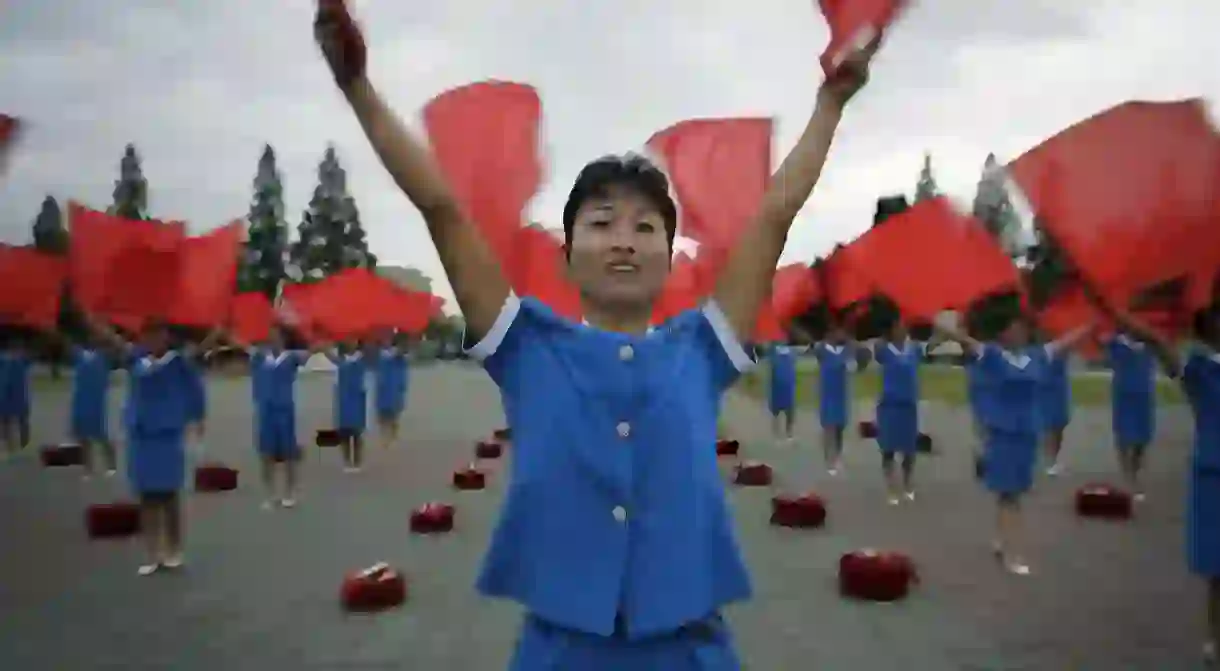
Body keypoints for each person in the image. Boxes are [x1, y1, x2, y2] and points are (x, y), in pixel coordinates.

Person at [314, 0, 873, 666]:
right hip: (562, 649)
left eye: (645, 227)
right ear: (566, 249)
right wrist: (358, 89)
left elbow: (774, 213)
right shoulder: (524, 345)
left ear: (670, 255)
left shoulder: (702, 347)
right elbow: (442, 209)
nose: (624, 241)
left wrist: (830, 103)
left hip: (690, 648)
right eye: (602, 221)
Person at [939, 317, 1091, 575]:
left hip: (1028, 434)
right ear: (1003, 334)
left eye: (1022, 328)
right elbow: (964, 341)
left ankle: (1000, 539)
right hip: (1003, 434)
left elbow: (1066, 342)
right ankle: (1013, 554)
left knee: (1012, 492)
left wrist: (1092, 323)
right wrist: (945, 327)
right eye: (1013, 328)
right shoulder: (994, 356)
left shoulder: (1037, 355)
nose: (1019, 331)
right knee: (1011, 496)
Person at [86, 314, 222, 575]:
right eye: (148, 335)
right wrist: (89, 318)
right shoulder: (136, 359)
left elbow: (203, 349)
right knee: (147, 497)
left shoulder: (178, 362)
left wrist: (218, 328)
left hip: (167, 435)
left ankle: (174, 550)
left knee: (169, 496)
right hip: (141, 435)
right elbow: (112, 340)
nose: (153, 339)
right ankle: (153, 553)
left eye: (158, 334)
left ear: (166, 337)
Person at [231, 324, 310, 509]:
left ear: (283, 339)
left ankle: (289, 493)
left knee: (289, 455)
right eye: (270, 336)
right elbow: (239, 344)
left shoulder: (291, 357)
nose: (272, 339)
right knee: (266, 455)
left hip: (285, 412)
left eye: (276, 336)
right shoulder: (259, 356)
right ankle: (271, 494)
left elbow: (310, 353)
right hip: (265, 412)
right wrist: (226, 330)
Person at [873, 319, 940, 505]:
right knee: (888, 449)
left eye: (904, 327)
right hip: (889, 407)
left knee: (909, 450)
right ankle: (892, 487)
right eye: (897, 328)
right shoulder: (885, 350)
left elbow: (934, 344)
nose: (902, 330)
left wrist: (941, 329)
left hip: (908, 407)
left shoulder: (914, 349)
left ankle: (908, 483)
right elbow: (876, 349)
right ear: (892, 331)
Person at [1101, 325, 1158, 500]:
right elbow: (1105, 354)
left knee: (1143, 438)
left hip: (1144, 395)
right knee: (1124, 436)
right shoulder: (1116, 343)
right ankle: (1129, 478)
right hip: (1123, 395)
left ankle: (1135, 469)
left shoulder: (1150, 343)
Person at [68, 330, 118, 478]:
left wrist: (106, 332)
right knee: (83, 437)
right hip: (80, 400)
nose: (93, 339)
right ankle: (87, 468)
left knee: (101, 436)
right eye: (92, 337)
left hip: (97, 402)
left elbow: (117, 348)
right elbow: (64, 343)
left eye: (96, 337)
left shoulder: (105, 355)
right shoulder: (80, 354)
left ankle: (111, 465)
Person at [812, 320, 855, 475]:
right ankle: (829, 459)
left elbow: (853, 366)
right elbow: (816, 349)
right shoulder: (822, 349)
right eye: (839, 332)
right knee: (828, 427)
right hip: (828, 394)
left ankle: (837, 456)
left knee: (839, 428)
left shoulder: (846, 350)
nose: (842, 335)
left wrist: (851, 345)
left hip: (841, 394)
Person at [326, 339, 368, 472]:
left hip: (357, 398)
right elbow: (328, 354)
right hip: (343, 398)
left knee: (356, 432)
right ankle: (347, 461)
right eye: (350, 339)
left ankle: (357, 461)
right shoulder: (339, 360)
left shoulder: (362, 358)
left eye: (355, 340)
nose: (352, 342)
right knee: (344, 432)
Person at [373, 330, 410, 450]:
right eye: (383, 338)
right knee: (382, 414)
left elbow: (402, 354)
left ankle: (393, 430)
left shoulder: (396, 352)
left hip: (394, 385)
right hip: (381, 386)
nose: (385, 341)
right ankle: (385, 436)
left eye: (387, 338)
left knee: (393, 413)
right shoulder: (376, 353)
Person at [0, 332, 31, 458]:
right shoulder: (4, 359)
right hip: (6, 395)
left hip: (19, 395)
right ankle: (9, 446)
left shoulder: (22, 360)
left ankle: (23, 445)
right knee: (5, 421)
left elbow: (28, 360)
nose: (17, 351)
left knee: (21, 421)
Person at [767, 339, 798, 445]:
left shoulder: (791, 352)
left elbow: (793, 366)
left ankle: (789, 434)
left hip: (788, 385)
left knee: (789, 411)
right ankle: (777, 436)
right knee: (776, 412)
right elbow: (772, 367)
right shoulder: (773, 351)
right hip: (777, 385)